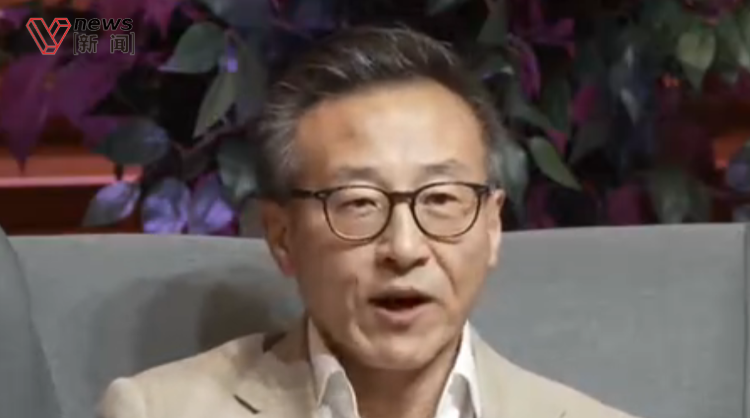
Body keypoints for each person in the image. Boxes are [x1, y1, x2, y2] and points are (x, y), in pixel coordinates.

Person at [98, 26, 641, 418]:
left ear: (492, 226)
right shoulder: (158, 411)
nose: (404, 248)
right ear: (282, 237)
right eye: (358, 202)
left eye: (441, 198)